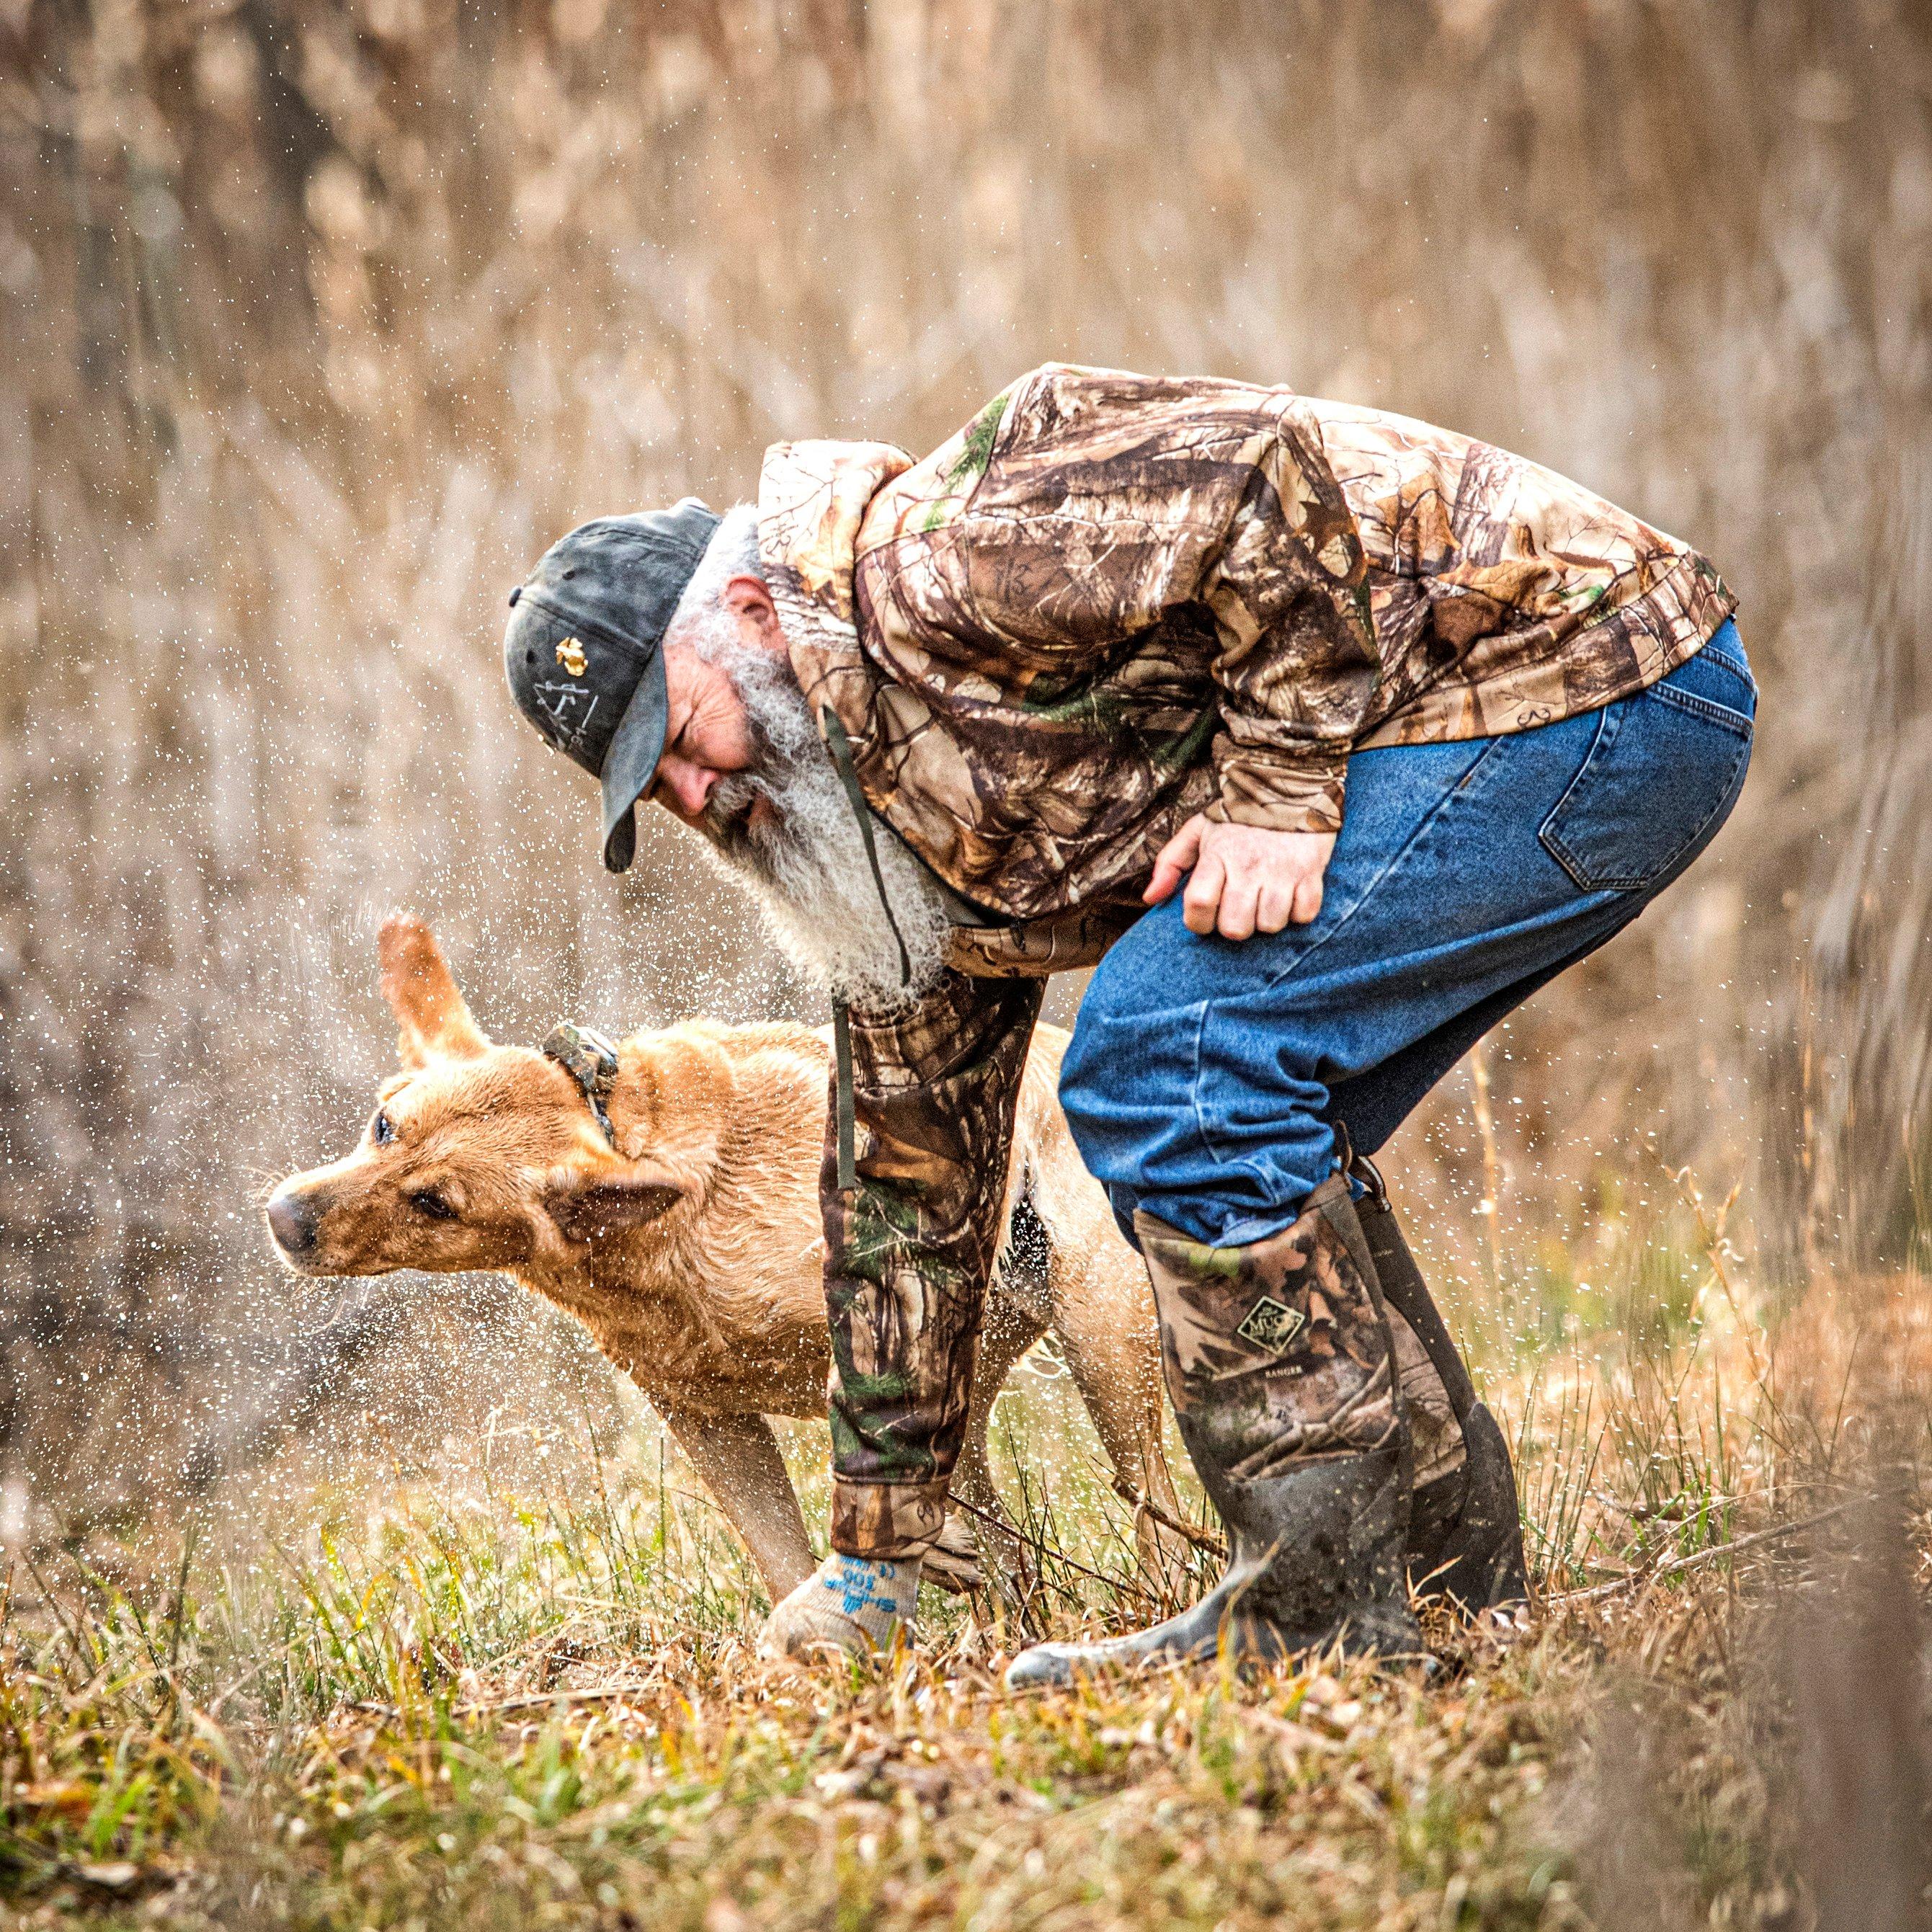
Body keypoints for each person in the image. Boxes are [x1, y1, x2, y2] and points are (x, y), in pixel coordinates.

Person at [502, 363, 1752, 1683]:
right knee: (1235, 1096)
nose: (702, 796)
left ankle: (1319, 1616)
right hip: (1576, 723)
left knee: (1174, 1054)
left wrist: (1278, 796)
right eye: (656, 788)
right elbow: (904, 1195)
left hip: (1596, 678)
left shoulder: (936, 561)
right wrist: (872, 1561)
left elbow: (1261, 475)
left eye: (682, 734)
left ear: (751, 611)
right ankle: (1453, 1584)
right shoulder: (880, 840)